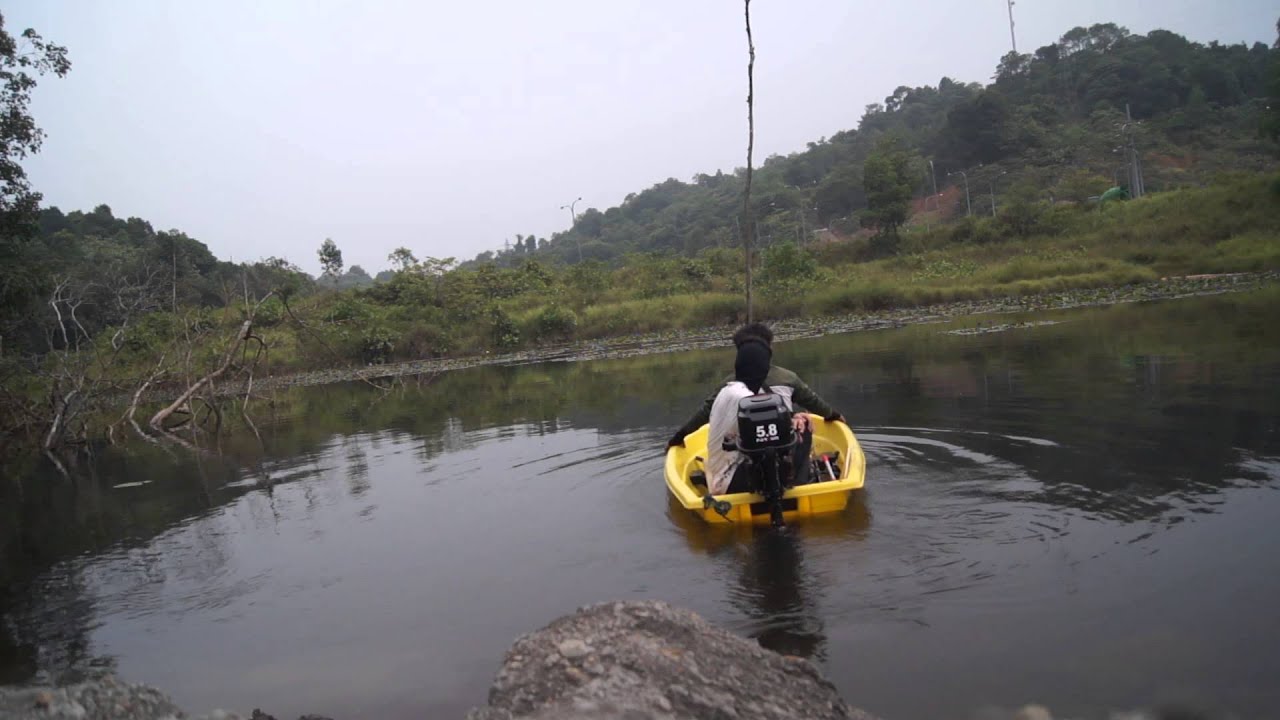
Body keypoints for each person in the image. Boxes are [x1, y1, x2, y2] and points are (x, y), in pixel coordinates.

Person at [667, 322, 844, 449]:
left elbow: (704, 414)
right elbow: (814, 403)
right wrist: (833, 415)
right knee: (804, 423)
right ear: (769, 349)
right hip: (784, 444)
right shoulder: (788, 378)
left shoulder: (728, 386)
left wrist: (678, 437)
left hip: (744, 448)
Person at [704, 337, 815, 495]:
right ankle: (800, 489)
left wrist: (793, 418)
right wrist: (799, 419)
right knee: (804, 428)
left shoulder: (730, 390)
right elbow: (777, 435)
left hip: (722, 473)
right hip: (730, 479)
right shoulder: (744, 398)